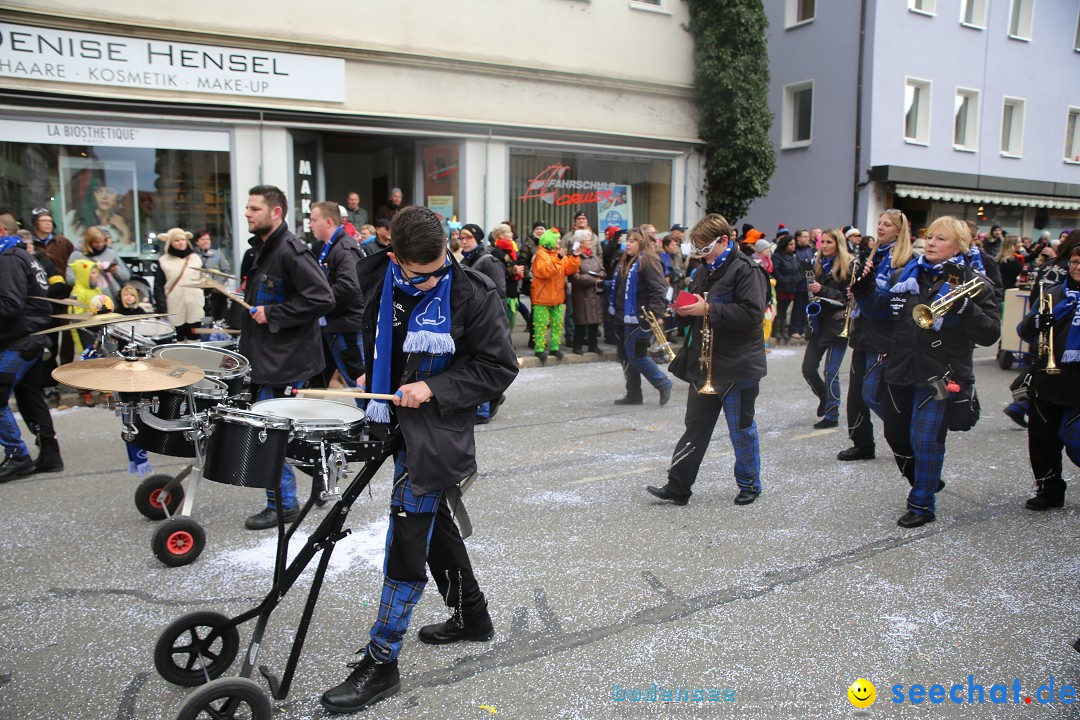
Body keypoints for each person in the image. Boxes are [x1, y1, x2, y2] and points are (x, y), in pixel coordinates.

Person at [320, 205, 517, 713]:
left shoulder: (473, 290)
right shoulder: (373, 275)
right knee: (433, 527)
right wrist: (370, 377)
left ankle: (382, 660)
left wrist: (433, 385)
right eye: (417, 275)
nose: (432, 282)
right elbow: (362, 332)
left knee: (407, 534)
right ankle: (473, 617)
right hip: (386, 419)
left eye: (439, 271)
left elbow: (498, 367)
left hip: (437, 432)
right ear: (394, 257)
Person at [857, 216, 999, 527]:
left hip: (939, 372)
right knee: (896, 436)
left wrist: (965, 308)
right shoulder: (905, 275)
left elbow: (990, 334)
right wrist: (865, 288)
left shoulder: (974, 283)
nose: (932, 243)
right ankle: (927, 479)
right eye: (930, 237)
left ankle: (922, 503)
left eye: (941, 239)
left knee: (926, 441)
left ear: (960, 247)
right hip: (900, 367)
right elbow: (881, 312)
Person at [646, 213, 767, 506]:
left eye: (705, 247)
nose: (701, 253)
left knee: (740, 428)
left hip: (738, 364)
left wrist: (708, 309)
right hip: (706, 362)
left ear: (724, 241)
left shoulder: (747, 270)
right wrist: (678, 311)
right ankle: (678, 486)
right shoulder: (704, 269)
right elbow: (695, 306)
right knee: (695, 426)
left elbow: (753, 315)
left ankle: (750, 483)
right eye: (697, 248)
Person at [239, 185, 335, 530]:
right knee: (286, 431)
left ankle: (283, 505)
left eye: (254, 208)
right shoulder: (261, 250)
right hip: (267, 356)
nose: (247, 213)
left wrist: (274, 313)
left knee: (271, 431)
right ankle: (323, 473)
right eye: (247, 208)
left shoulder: (290, 251)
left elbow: (322, 297)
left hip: (284, 360)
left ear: (275, 212)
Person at [838, 209, 915, 462]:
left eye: (887, 225)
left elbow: (888, 303)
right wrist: (857, 291)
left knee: (871, 394)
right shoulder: (873, 254)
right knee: (856, 395)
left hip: (883, 334)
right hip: (863, 331)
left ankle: (906, 433)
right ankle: (862, 443)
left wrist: (865, 290)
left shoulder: (903, 260)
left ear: (899, 230)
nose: (880, 228)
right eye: (879, 223)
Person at [1016, 244, 1080, 510]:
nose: (1078, 267)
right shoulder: (1053, 293)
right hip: (1049, 377)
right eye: (1075, 261)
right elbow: (1025, 331)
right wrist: (1035, 324)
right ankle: (1049, 489)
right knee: (1042, 438)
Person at [0, 214, 62, 481]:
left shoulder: (8, 258)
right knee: (29, 396)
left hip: (20, 339)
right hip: (30, 337)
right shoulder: (24, 256)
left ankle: (17, 456)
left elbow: (9, 304)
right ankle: (50, 454)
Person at [610, 227, 673, 406]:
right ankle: (634, 394)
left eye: (632, 240)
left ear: (642, 243)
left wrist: (653, 315)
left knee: (637, 356)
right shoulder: (626, 261)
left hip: (640, 318)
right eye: (627, 240)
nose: (628, 243)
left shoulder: (648, 261)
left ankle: (663, 383)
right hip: (622, 318)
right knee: (626, 358)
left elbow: (658, 290)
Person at [309, 201, 366, 388]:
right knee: (316, 381)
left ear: (328, 222)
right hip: (331, 325)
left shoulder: (343, 247)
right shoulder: (330, 247)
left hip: (346, 327)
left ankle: (372, 417)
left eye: (313, 220)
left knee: (359, 382)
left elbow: (350, 285)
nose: (310, 224)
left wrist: (319, 301)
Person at [800, 228, 852, 429]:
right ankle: (824, 397)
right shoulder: (817, 264)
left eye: (830, 242)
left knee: (831, 371)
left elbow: (846, 297)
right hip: (819, 322)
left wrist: (823, 289)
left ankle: (832, 414)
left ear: (838, 244)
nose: (825, 246)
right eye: (824, 242)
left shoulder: (848, 266)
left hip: (838, 323)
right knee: (808, 368)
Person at [530, 228, 581, 363]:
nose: (560, 241)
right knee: (540, 325)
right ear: (550, 240)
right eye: (558, 238)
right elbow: (545, 272)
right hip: (542, 297)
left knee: (557, 324)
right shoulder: (541, 254)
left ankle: (554, 347)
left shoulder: (558, 254)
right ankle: (539, 348)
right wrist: (559, 258)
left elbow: (569, 269)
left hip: (557, 297)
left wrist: (574, 257)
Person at [152, 228, 205, 341]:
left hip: (195, 305)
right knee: (177, 339)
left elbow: (203, 281)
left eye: (183, 239)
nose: (181, 242)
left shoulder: (195, 258)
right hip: (174, 306)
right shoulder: (163, 261)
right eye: (177, 240)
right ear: (170, 243)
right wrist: (162, 308)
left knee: (194, 338)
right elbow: (158, 287)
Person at [65, 226, 132, 304]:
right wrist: (88, 276)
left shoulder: (110, 253)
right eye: (96, 242)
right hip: (88, 301)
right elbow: (69, 279)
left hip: (112, 299)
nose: (100, 245)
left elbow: (126, 277)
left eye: (102, 242)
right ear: (89, 241)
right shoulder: (77, 255)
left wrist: (116, 271)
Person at [569, 230, 605, 354]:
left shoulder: (594, 255)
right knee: (581, 321)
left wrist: (600, 275)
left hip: (595, 293)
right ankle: (577, 346)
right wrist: (592, 279)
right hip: (582, 294)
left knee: (595, 320)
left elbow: (602, 270)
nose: (590, 242)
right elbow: (574, 277)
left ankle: (593, 345)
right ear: (580, 242)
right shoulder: (575, 256)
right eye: (588, 240)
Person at [489, 223, 524, 332]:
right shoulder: (496, 251)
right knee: (504, 325)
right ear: (501, 236)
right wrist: (514, 270)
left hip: (513, 291)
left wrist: (516, 270)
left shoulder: (512, 249)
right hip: (504, 293)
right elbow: (499, 271)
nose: (512, 234)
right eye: (508, 232)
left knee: (511, 323)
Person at [771, 233, 802, 345]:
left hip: (791, 288)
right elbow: (776, 271)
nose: (793, 246)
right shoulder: (777, 256)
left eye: (794, 244)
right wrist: (784, 280)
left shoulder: (793, 257)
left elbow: (798, 270)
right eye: (791, 244)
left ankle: (783, 330)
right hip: (782, 288)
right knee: (779, 310)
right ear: (785, 245)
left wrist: (797, 279)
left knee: (784, 311)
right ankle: (776, 331)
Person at [29, 208, 75, 278]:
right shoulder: (29, 243)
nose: (48, 224)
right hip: (39, 283)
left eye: (50, 221)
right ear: (35, 223)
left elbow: (73, 263)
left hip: (62, 284)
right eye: (44, 220)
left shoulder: (63, 242)